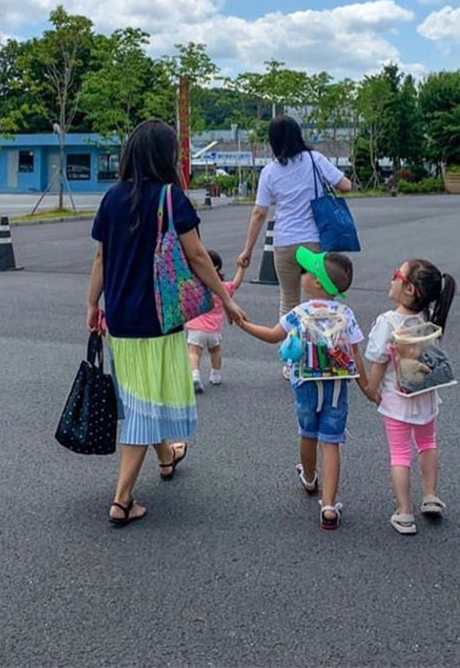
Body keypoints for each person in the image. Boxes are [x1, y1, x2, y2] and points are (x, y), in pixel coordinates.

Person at [87, 119, 245, 527]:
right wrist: (225, 299)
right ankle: (122, 500)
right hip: (160, 317)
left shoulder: (111, 198)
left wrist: (91, 304)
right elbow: (197, 257)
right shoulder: (171, 198)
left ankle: (166, 456)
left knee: (143, 394)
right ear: (166, 155)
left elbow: (101, 258)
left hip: (119, 316)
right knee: (143, 405)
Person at [239, 247, 375, 530]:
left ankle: (310, 478)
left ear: (316, 283)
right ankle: (329, 507)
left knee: (308, 434)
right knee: (331, 442)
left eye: (306, 271)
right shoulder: (346, 313)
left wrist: (243, 324)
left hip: (305, 385)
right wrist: (367, 389)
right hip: (336, 387)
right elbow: (355, 355)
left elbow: (272, 336)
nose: (301, 274)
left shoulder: (300, 312)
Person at [364, 259, 456, 535]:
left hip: (397, 399)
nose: (391, 279)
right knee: (427, 443)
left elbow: (378, 362)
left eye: (396, 275)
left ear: (409, 289)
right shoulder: (426, 319)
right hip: (425, 395)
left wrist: (371, 389)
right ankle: (430, 495)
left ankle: (404, 512)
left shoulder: (387, 322)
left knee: (400, 454)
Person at [237, 115, 352, 316]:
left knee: (288, 302)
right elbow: (346, 186)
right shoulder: (315, 159)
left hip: (284, 242)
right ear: (298, 135)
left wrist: (247, 250)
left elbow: (259, 213)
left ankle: (290, 337)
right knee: (320, 299)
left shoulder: (269, 172)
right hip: (313, 241)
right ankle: (321, 336)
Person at [185, 249, 245, 393]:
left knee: (194, 353)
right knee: (215, 351)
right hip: (214, 329)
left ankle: (194, 375)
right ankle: (215, 374)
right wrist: (241, 268)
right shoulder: (222, 287)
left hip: (196, 327)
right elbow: (235, 284)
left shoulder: (196, 285)